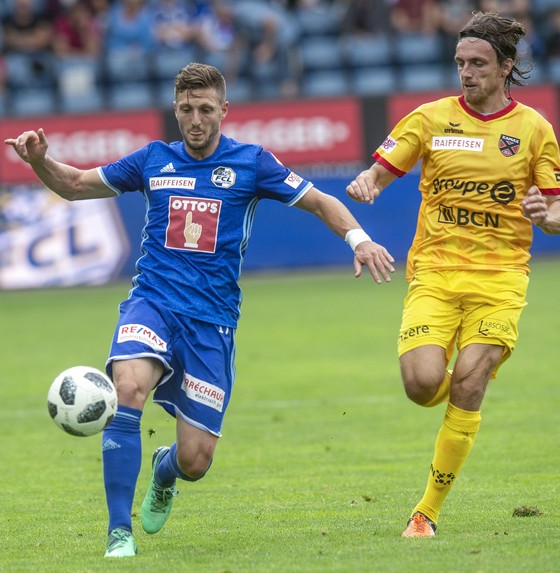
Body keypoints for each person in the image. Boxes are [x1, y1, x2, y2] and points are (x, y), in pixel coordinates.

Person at [5, 62, 394, 557]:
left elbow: (319, 201)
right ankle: (118, 532)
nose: (195, 119)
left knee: (196, 460)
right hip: (153, 302)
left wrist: (358, 240)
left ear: (224, 111)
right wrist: (40, 161)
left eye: (205, 109)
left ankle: (164, 470)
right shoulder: (152, 160)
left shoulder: (252, 162)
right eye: (186, 109)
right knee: (128, 388)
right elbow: (76, 185)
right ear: (175, 108)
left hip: (211, 324)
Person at [346, 11, 560, 537]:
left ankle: (425, 513)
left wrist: (547, 215)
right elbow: (379, 170)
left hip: (501, 280)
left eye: (477, 64)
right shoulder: (430, 119)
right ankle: (464, 398)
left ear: (506, 67)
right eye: (460, 63)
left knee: (468, 385)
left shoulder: (534, 130)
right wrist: (368, 182)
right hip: (436, 275)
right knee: (422, 384)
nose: (466, 73)